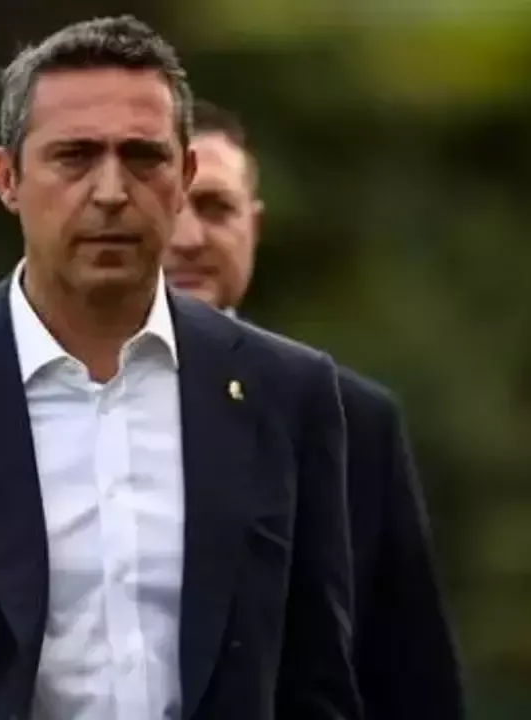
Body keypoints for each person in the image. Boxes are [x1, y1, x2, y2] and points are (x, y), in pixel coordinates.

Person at [0, 17, 361, 720]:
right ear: (8, 177)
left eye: (142, 157)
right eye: (75, 157)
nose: (111, 190)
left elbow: (318, 684)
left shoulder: (286, 394)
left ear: (184, 176)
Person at [166, 99, 466, 720]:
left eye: (215, 207)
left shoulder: (354, 420)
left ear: (254, 226)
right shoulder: (30, 397)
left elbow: (410, 675)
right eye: (169, 207)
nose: (189, 238)